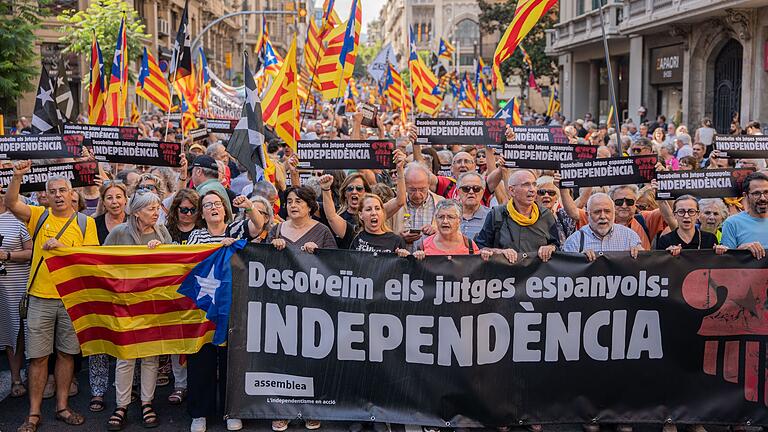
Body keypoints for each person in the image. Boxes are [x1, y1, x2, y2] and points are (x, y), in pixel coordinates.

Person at [6, 161, 99, 432]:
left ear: (72, 194)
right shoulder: (39, 215)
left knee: (67, 355)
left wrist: (64, 249)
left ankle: (62, 407)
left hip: (71, 299)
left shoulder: (85, 223)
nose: (58, 195)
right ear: (46, 195)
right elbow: (12, 203)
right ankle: (33, 414)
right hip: (40, 298)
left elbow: (91, 260)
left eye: (63, 190)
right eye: (53, 191)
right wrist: (17, 176)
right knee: (37, 358)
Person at [187, 191, 263, 432]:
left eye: (217, 204)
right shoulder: (196, 236)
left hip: (234, 308)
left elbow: (258, 226)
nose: (213, 208)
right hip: (203, 311)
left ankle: (232, 410)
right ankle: (200, 413)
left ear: (225, 208)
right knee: (202, 361)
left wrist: (250, 206)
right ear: (202, 213)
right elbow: (185, 261)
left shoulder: (237, 229)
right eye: (207, 205)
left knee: (232, 361)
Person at [104, 191, 173, 431]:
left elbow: (172, 263)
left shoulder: (161, 232)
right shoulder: (119, 233)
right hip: (125, 304)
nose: (156, 212)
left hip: (152, 304)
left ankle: (146, 402)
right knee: (126, 356)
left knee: (150, 355)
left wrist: (161, 249)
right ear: (136, 212)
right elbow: (102, 262)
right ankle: (121, 405)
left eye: (157, 207)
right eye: (150, 208)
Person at [475, 170, 559, 263]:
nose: (532, 189)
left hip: (537, 276)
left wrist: (550, 248)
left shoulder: (546, 215)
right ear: (512, 190)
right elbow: (481, 248)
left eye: (534, 184)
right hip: (505, 275)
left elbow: (556, 246)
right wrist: (499, 252)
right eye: (526, 185)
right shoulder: (496, 214)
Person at [0, 184, 32, 399]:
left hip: (15, 284)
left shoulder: (17, 218)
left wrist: (7, 256)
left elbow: (31, 252)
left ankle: (16, 378)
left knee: (15, 331)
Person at [562, 193, 641, 260]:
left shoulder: (630, 237)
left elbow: (642, 267)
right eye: (597, 212)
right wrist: (579, 260)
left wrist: (640, 255)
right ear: (587, 215)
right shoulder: (574, 241)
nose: (603, 216)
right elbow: (565, 271)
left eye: (607, 211)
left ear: (614, 213)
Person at [391, 163, 444, 248]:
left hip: (432, 259)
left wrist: (437, 232)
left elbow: (453, 236)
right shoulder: (395, 205)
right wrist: (400, 238)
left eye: (422, 189)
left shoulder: (441, 203)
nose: (417, 194)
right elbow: (384, 236)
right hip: (402, 258)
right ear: (404, 185)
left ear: (429, 184)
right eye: (412, 190)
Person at [413, 200, 487, 259]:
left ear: (459, 220)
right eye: (441, 217)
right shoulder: (424, 245)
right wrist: (416, 258)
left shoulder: (469, 245)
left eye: (450, 217)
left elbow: (478, 272)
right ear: (435, 219)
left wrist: (485, 257)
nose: (445, 221)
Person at [720, 172, 768, 258]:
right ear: (746, 196)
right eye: (756, 193)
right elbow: (726, 262)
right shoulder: (732, 223)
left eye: (766, 192)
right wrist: (740, 250)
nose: (763, 198)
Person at [657, 195, 721, 254]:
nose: (686, 216)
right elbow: (659, 264)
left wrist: (722, 253)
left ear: (698, 214)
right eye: (681, 212)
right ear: (674, 215)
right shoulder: (665, 240)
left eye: (691, 211)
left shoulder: (710, 239)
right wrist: (667, 255)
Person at [537, 175, 576, 246]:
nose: (546, 195)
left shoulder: (563, 216)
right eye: (541, 192)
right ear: (535, 197)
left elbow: (575, 214)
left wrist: (563, 189)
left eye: (551, 193)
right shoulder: (528, 215)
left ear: (556, 198)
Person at [456, 172, 490, 241]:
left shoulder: (491, 216)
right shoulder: (448, 215)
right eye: (466, 188)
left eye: (476, 188)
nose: (471, 192)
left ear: (483, 192)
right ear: (458, 192)